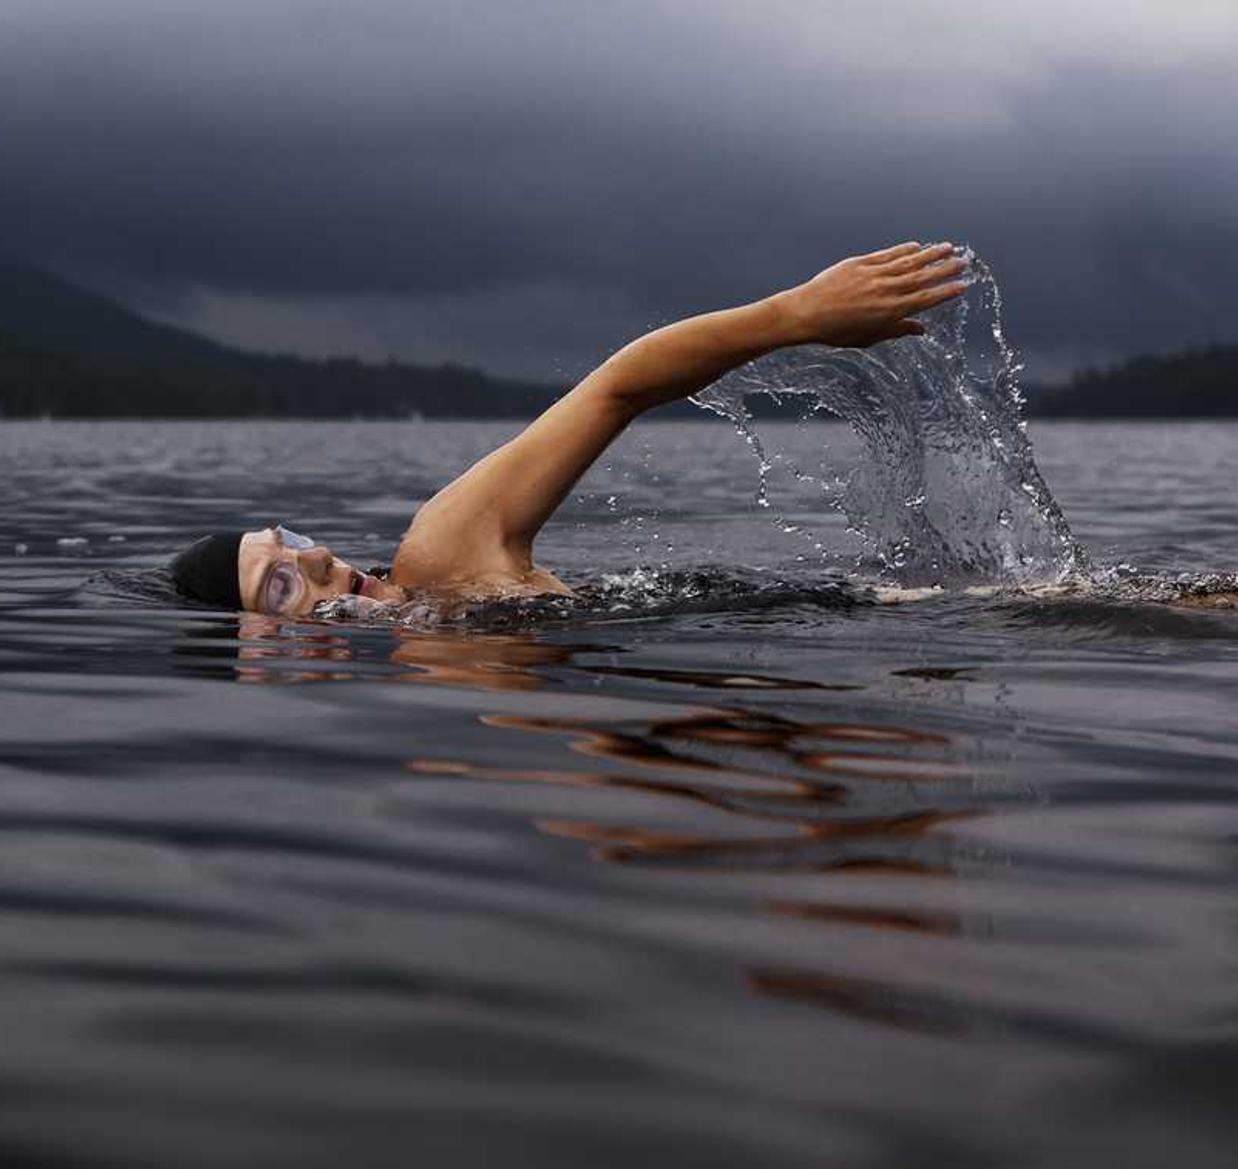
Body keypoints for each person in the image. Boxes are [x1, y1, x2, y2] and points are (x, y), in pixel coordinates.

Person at [171, 241, 969, 616]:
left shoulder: (441, 558)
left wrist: (796, 315)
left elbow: (615, 388)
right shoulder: (432, 687)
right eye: (280, 583)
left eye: (292, 540)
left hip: (891, 613)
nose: (315, 556)